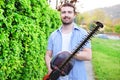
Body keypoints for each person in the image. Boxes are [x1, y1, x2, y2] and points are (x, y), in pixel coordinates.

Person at [45, 3, 92, 80]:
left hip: (77, 77)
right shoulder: (53, 35)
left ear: (74, 15)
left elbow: (88, 55)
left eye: (69, 12)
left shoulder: (82, 33)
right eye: (63, 12)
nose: (66, 15)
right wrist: (50, 69)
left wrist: (70, 54)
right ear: (60, 15)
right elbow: (48, 55)